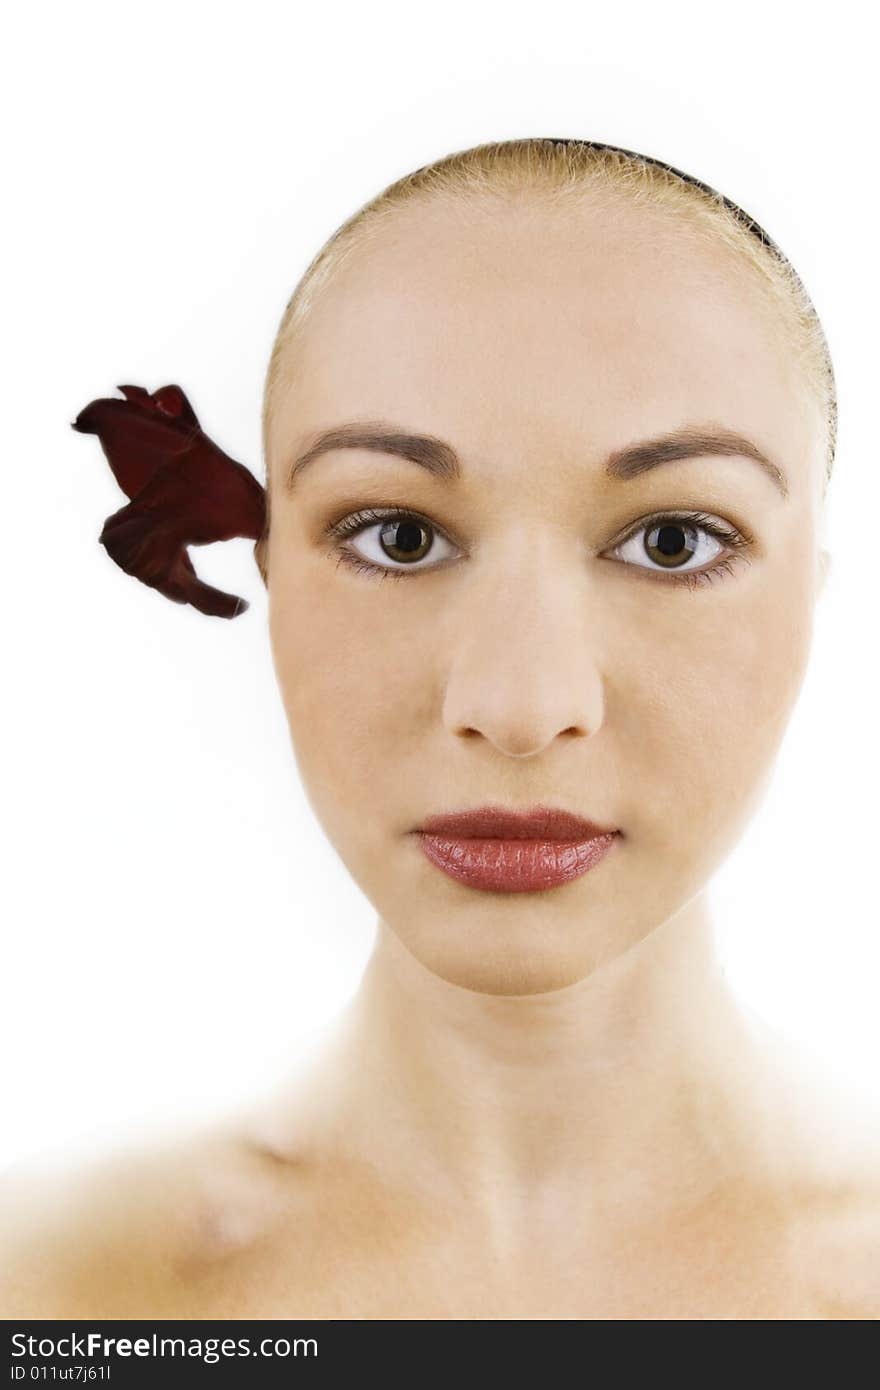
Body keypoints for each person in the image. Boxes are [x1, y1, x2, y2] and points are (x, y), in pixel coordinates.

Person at [3, 137, 878, 1320]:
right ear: (270, 579)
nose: (518, 709)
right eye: (397, 535)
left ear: (812, 592)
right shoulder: (56, 1296)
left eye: (673, 538)